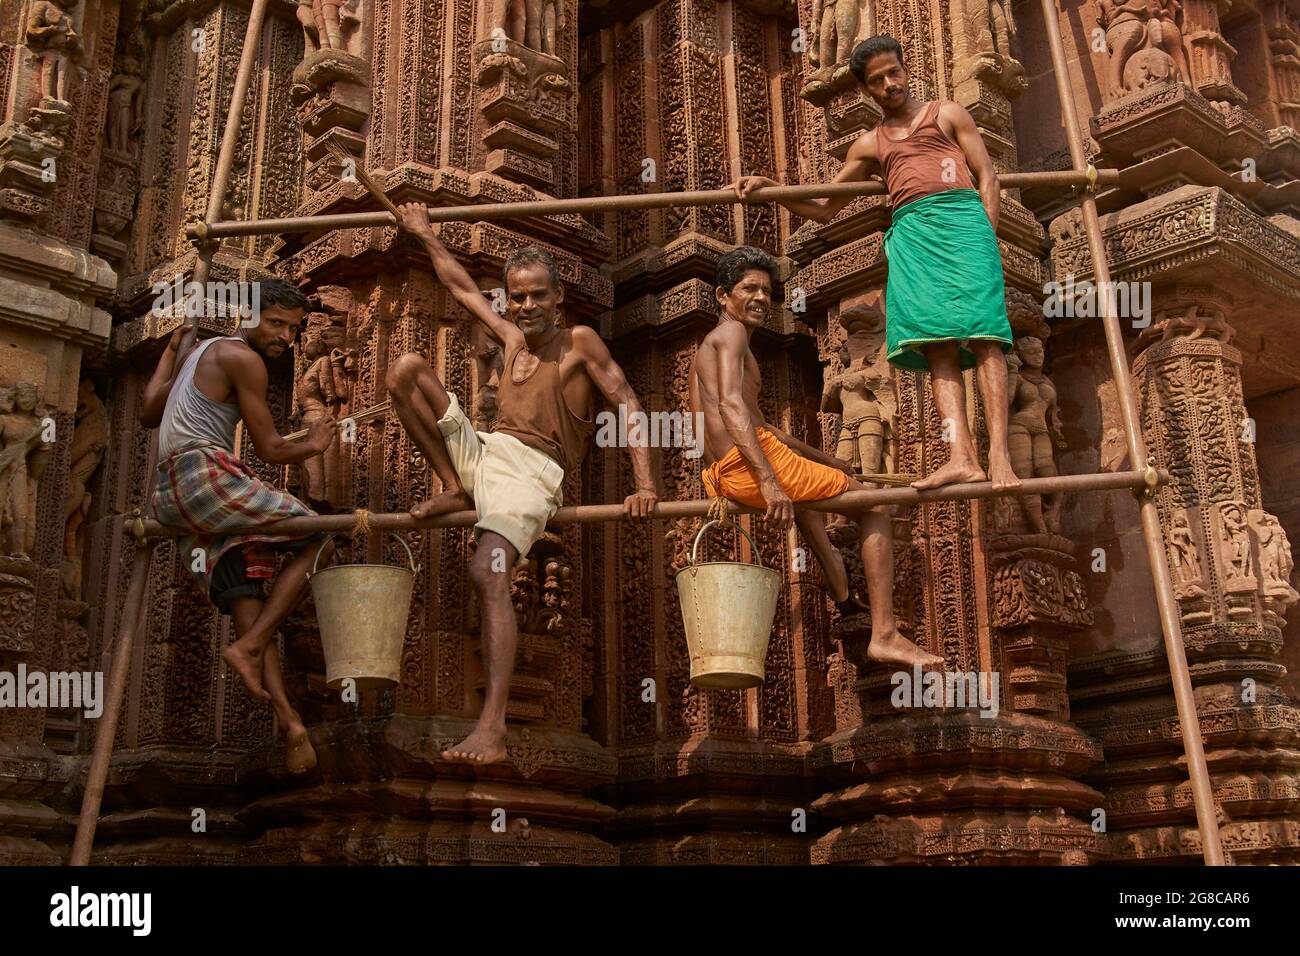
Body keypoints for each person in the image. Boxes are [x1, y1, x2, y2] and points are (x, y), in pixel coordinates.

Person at [387, 202, 661, 764]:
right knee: (406, 370)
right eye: (518, 296)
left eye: (538, 295)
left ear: (559, 298)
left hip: (535, 471)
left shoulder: (580, 342)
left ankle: (492, 729)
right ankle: (455, 485)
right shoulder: (511, 338)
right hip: (488, 454)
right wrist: (423, 233)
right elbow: (461, 287)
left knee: (487, 571)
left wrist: (645, 484)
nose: (527, 305)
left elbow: (629, 402)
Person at [733, 33, 1019, 492]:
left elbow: (987, 174)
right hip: (913, 234)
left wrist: (987, 233)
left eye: (894, 72)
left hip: (963, 221)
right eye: (877, 80)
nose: (889, 84)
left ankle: (1000, 456)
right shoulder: (870, 144)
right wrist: (773, 188)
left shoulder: (946, 113)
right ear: (867, 91)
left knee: (986, 336)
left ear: (906, 70)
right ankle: (962, 456)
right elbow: (826, 205)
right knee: (938, 344)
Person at [690, 246, 941, 670]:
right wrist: (769, 482)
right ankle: (885, 633)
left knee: (808, 505)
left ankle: (844, 596)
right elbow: (733, 409)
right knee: (874, 505)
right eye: (748, 288)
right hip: (745, 466)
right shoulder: (731, 336)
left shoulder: (712, 347)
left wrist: (825, 460)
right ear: (722, 295)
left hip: (723, 472)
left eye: (767, 291)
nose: (759, 298)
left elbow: (758, 425)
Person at [141, 277, 336, 774]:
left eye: (293, 329)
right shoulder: (242, 358)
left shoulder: (198, 352)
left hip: (169, 493)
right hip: (201, 476)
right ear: (246, 315)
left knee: (242, 583)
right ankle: (250, 647)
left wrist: (171, 351)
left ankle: (290, 723)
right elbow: (271, 449)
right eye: (275, 324)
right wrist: (315, 443)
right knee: (317, 532)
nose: (285, 339)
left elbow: (148, 411)